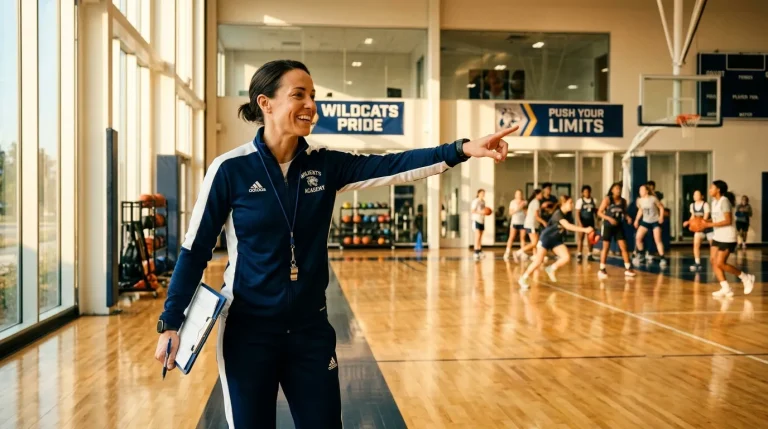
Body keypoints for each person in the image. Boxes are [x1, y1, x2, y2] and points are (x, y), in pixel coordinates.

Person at [152, 59, 515, 428]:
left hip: (310, 332)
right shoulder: (229, 169)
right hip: (248, 333)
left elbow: (394, 165)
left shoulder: (324, 164)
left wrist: (462, 149)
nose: (311, 104)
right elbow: (194, 250)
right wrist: (171, 320)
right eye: (299, 95)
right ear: (266, 103)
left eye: (313, 95)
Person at [518, 195, 593, 288]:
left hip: (556, 240)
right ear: (563, 203)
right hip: (546, 238)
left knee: (566, 257)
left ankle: (551, 268)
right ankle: (523, 278)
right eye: (570, 203)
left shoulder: (568, 215)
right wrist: (585, 230)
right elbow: (568, 226)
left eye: (572, 203)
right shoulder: (558, 214)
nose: (572, 205)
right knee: (538, 261)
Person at [703, 180, 755, 297]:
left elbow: (728, 220)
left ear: (718, 190)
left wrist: (709, 225)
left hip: (727, 236)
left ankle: (746, 278)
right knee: (713, 261)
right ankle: (725, 287)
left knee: (720, 263)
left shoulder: (724, 201)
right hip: (718, 235)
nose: (710, 190)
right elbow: (717, 219)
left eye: (712, 188)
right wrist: (705, 222)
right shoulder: (714, 202)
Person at [596, 182, 636, 280]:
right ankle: (602, 269)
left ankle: (628, 268)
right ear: (612, 190)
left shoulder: (623, 201)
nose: (618, 190)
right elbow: (599, 212)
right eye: (616, 188)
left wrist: (628, 217)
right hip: (608, 226)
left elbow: (624, 212)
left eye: (619, 188)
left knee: (624, 247)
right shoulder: (607, 199)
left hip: (618, 226)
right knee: (606, 247)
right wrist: (609, 218)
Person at [633, 184, 667, 266]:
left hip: (654, 221)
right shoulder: (640, 200)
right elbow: (640, 210)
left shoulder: (653, 199)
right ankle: (641, 254)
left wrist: (661, 217)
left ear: (647, 191)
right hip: (645, 221)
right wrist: (637, 220)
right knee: (638, 238)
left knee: (657, 240)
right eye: (639, 190)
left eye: (642, 190)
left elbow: (661, 208)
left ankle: (662, 258)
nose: (640, 192)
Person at [682, 190, 713, 271]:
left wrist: (700, 224)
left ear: (701, 196)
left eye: (697, 194)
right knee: (696, 245)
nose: (694, 196)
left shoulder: (705, 204)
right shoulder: (692, 205)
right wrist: (688, 222)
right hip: (699, 227)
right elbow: (693, 216)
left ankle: (715, 261)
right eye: (694, 195)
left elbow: (706, 217)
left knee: (713, 246)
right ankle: (697, 263)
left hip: (708, 226)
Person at [514, 189, 546, 262]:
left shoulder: (534, 202)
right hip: (531, 224)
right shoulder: (536, 202)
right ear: (537, 195)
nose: (542, 195)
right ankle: (518, 252)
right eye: (541, 194)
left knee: (535, 241)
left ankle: (535, 255)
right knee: (534, 242)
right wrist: (543, 222)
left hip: (532, 224)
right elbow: (536, 216)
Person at [503, 189, 527, 261]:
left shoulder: (525, 202)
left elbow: (527, 213)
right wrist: (518, 208)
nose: (519, 195)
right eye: (517, 194)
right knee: (511, 237)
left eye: (520, 194)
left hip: (523, 222)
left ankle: (522, 252)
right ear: (515, 195)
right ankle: (507, 252)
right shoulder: (512, 202)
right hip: (514, 222)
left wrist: (523, 208)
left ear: (522, 194)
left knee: (522, 238)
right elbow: (510, 213)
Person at [574, 185, 597, 261]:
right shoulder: (580, 201)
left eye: (588, 192)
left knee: (591, 238)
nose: (586, 193)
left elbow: (596, 212)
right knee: (581, 238)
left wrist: (598, 220)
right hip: (583, 221)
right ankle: (579, 254)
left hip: (591, 221)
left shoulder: (594, 200)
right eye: (585, 192)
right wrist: (579, 223)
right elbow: (577, 213)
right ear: (582, 193)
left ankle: (590, 254)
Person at [471, 189, 488, 260]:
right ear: (478, 194)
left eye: (484, 193)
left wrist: (485, 213)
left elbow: (484, 211)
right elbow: (473, 210)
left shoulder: (483, 202)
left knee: (480, 236)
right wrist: (481, 212)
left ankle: (479, 250)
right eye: (482, 193)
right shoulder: (476, 201)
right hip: (476, 219)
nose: (483, 194)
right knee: (477, 236)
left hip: (481, 220)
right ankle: (475, 251)